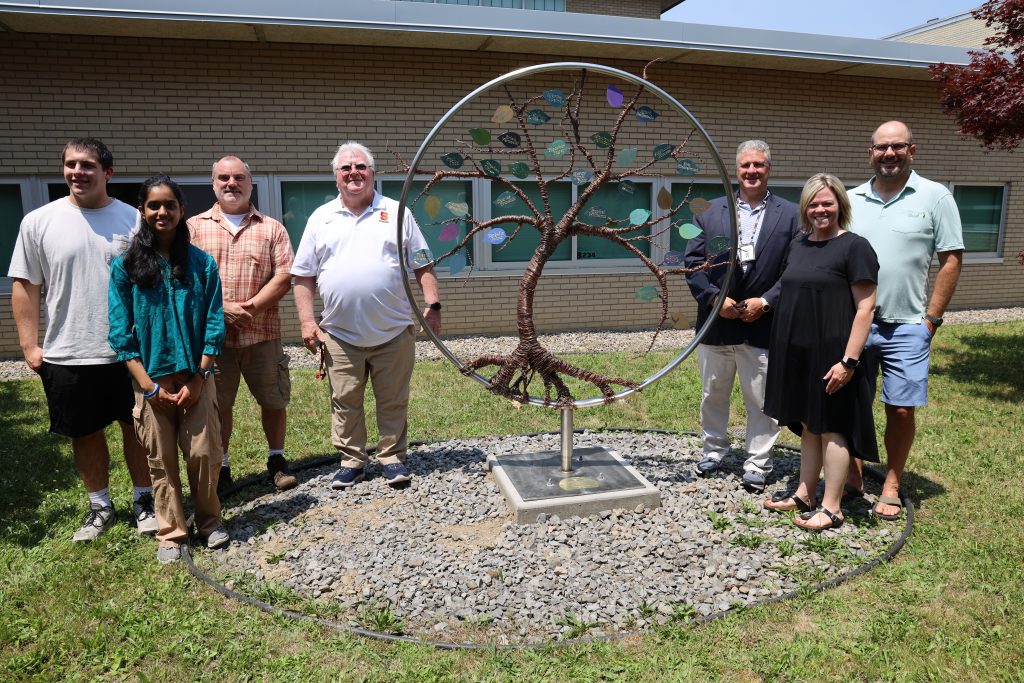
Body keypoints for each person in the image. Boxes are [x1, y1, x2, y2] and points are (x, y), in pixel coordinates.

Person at [7, 138, 156, 541]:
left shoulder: (134, 220)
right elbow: (25, 284)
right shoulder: (39, 222)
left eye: (88, 165)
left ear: (107, 172)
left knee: (136, 428)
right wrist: (29, 345)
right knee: (85, 433)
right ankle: (100, 506)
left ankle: (145, 501)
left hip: (129, 352)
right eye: (71, 164)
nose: (78, 172)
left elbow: (152, 286)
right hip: (68, 350)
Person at [292, 141, 442, 489]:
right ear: (336, 178)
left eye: (360, 167)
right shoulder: (321, 218)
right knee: (345, 401)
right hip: (340, 333)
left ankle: (392, 457)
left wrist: (432, 305)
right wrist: (306, 321)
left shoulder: (398, 212)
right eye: (346, 168)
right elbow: (303, 275)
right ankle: (352, 460)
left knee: (393, 399)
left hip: (393, 330)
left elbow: (422, 263)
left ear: (372, 174)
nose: (353, 173)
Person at [108, 175, 228, 564]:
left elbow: (214, 323)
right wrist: (148, 387)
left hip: (196, 378)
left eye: (169, 205)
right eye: (153, 205)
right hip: (152, 382)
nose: (162, 212)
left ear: (181, 210)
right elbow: (119, 332)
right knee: (160, 460)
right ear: (142, 211)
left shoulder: (202, 264)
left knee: (204, 454)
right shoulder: (126, 267)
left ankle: (209, 522)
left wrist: (199, 376)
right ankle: (172, 531)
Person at [848, 121, 964, 520]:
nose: (889, 154)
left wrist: (931, 320)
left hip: (908, 325)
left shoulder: (935, 197)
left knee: (900, 408)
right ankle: (853, 474)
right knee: (852, 403)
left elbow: (951, 258)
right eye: (882, 147)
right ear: (871, 153)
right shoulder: (850, 199)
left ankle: (893, 482)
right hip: (855, 325)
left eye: (897, 147)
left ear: (912, 150)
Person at [763, 174, 879, 531]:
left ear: (840, 205)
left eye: (827, 202)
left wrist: (849, 361)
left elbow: (866, 308)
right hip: (797, 351)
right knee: (810, 425)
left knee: (833, 428)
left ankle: (832, 507)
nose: (820, 209)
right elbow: (787, 289)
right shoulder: (799, 244)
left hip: (834, 354)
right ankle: (803, 493)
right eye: (813, 203)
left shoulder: (854, 246)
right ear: (805, 209)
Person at [684, 140, 800, 493]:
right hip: (717, 324)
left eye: (759, 165)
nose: (752, 171)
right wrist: (714, 299)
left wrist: (766, 302)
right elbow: (692, 265)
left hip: (763, 325)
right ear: (737, 169)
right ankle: (714, 450)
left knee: (762, 399)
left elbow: (794, 269)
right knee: (713, 393)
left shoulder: (792, 214)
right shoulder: (709, 210)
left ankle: (757, 462)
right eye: (746, 165)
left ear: (769, 169)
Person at [189, 156, 297, 494]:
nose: (231, 183)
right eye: (223, 177)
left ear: (251, 184)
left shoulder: (272, 228)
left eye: (238, 178)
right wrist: (220, 310)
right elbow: (183, 279)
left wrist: (248, 309)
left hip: (262, 335)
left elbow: (284, 276)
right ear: (213, 184)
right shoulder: (192, 228)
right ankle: (221, 467)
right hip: (212, 341)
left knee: (274, 400)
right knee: (218, 407)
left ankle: (277, 460)